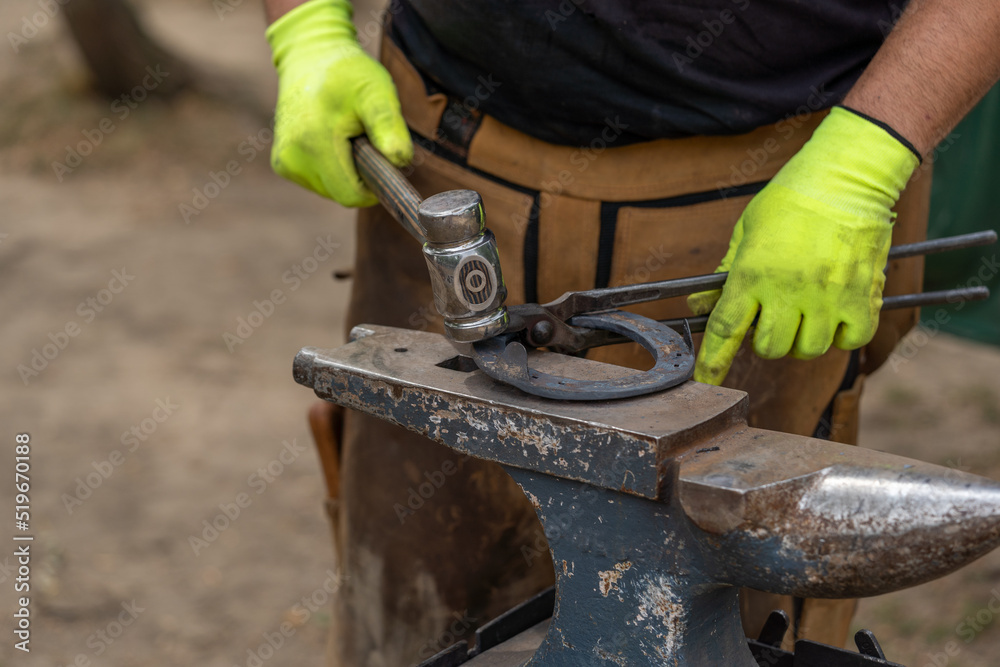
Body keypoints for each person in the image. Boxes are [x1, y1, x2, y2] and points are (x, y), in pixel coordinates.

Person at [263, 0, 1000, 664]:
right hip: (434, 146)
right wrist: (305, 26)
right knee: (410, 611)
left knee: (731, 622)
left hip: (776, 191)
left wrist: (865, 158)